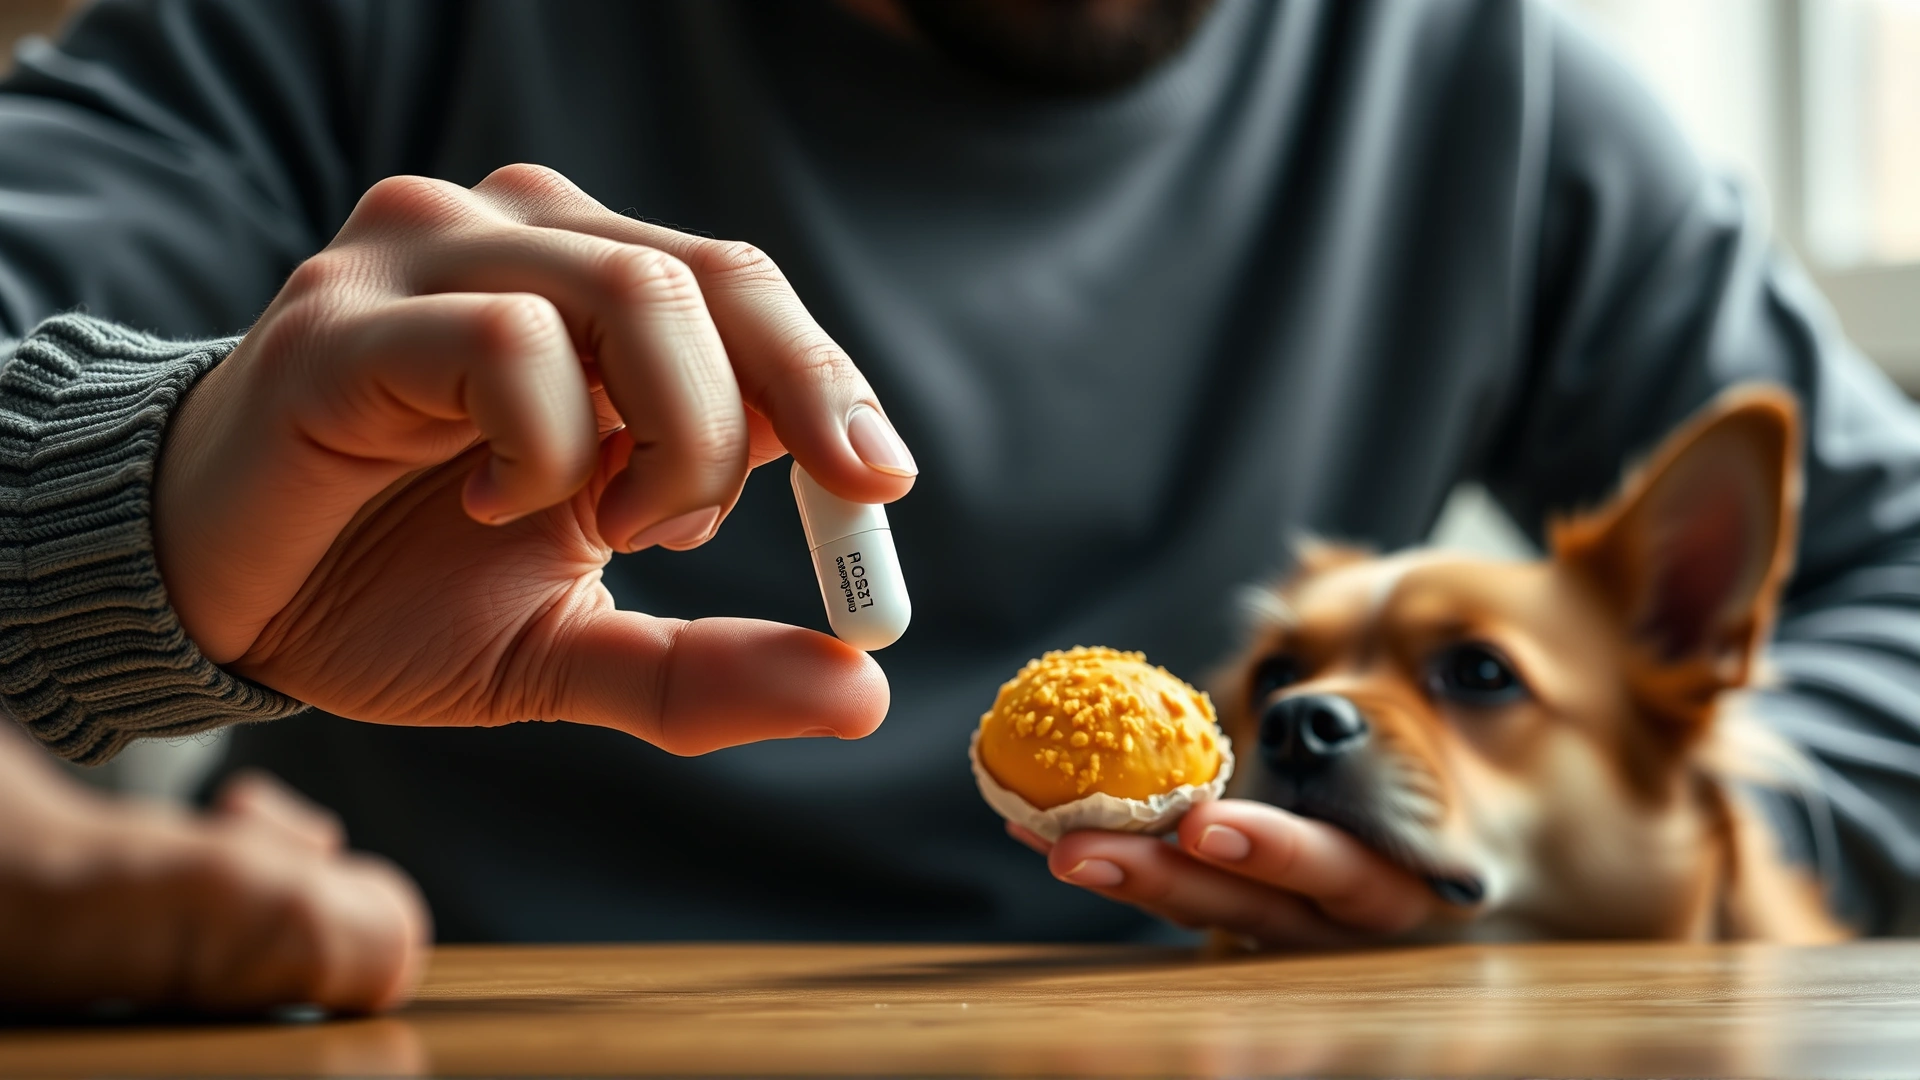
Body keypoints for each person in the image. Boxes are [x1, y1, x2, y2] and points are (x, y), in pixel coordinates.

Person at [5, 0, 1920, 1012]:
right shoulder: (344, 28)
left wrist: (1532, 854)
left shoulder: (1487, 85)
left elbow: (1887, 582)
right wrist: (128, 503)